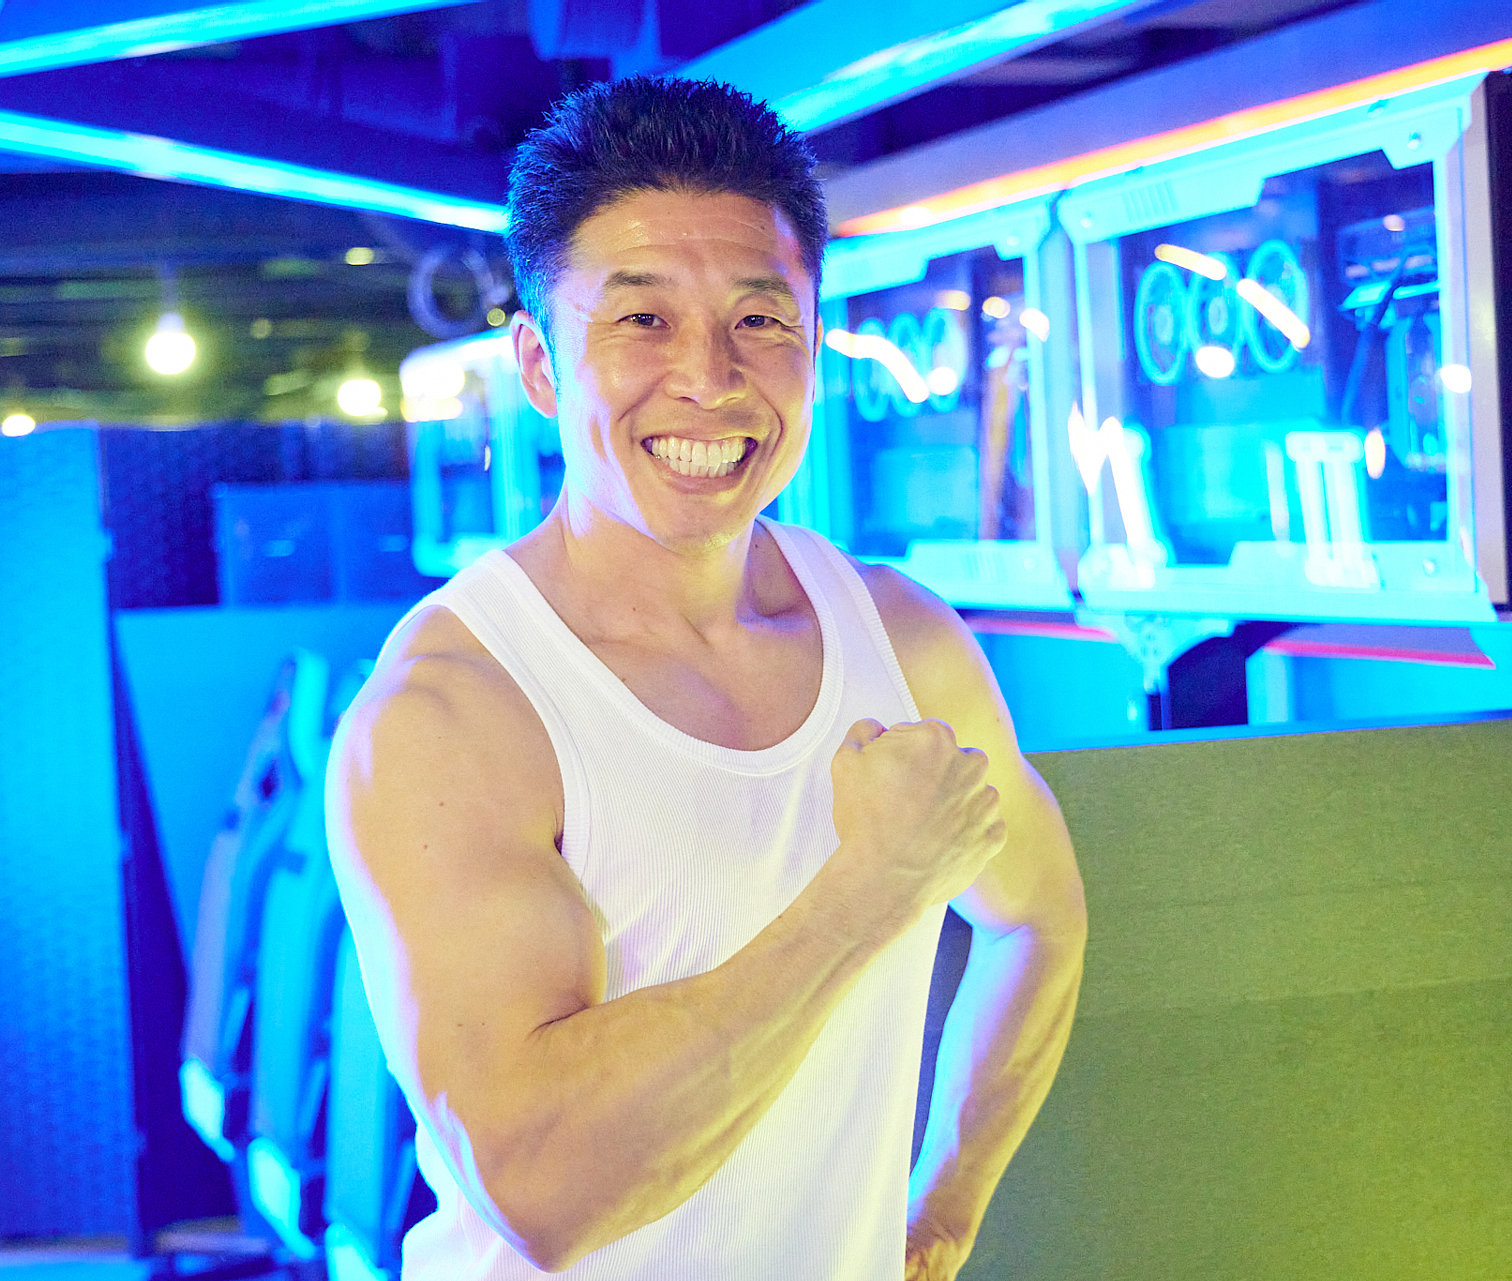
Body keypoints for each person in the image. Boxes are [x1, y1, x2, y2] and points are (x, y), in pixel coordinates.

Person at [326, 74, 1086, 1280]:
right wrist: (866, 892)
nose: (710, 378)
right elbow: (545, 1190)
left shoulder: (903, 640)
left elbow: (1038, 919)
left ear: (815, 344)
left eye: (760, 321)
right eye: (641, 320)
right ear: (539, 364)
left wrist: (945, 1210)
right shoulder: (453, 711)